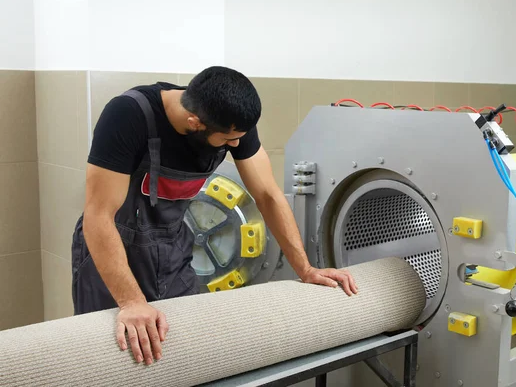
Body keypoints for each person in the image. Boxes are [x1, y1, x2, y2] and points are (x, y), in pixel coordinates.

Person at [71, 66, 358, 366]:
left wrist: (306, 269)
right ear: (195, 123)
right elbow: (99, 216)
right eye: (228, 140)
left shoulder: (231, 122)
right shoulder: (128, 116)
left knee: (181, 354)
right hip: (112, 252)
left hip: (173, 252)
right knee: (115, 359)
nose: (236, 145)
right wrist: (131, 302)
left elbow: (268, 195)